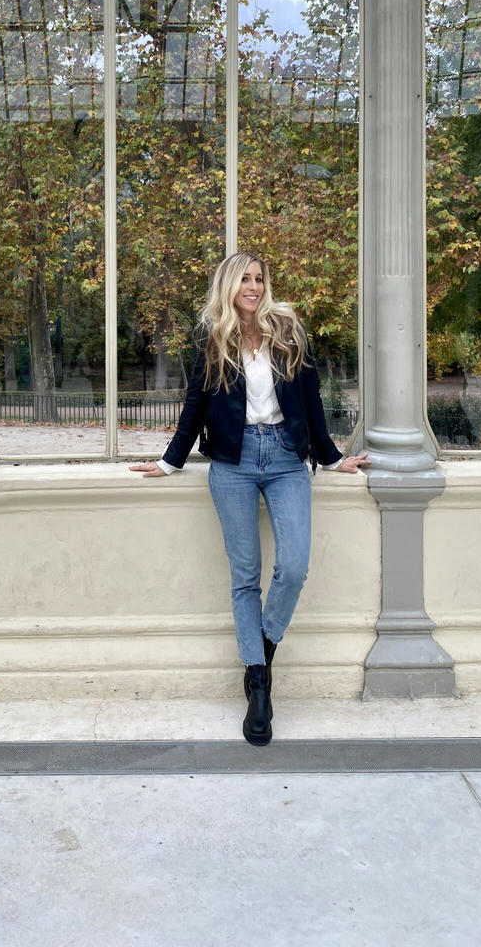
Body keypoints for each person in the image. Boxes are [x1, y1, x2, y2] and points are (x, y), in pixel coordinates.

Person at [131, 252, 368, 747]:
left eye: (260, 279)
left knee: (295, 567)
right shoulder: (212, 337)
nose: (254, 286)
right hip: (233, 463)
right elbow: (195, 402)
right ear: (229, 286)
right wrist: (170, 461)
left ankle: (262, 646)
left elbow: (310, 398)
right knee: (245, 577)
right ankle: (258, 685)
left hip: (284, 457)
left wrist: (329, 457)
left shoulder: (288, 330)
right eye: (245, 279)